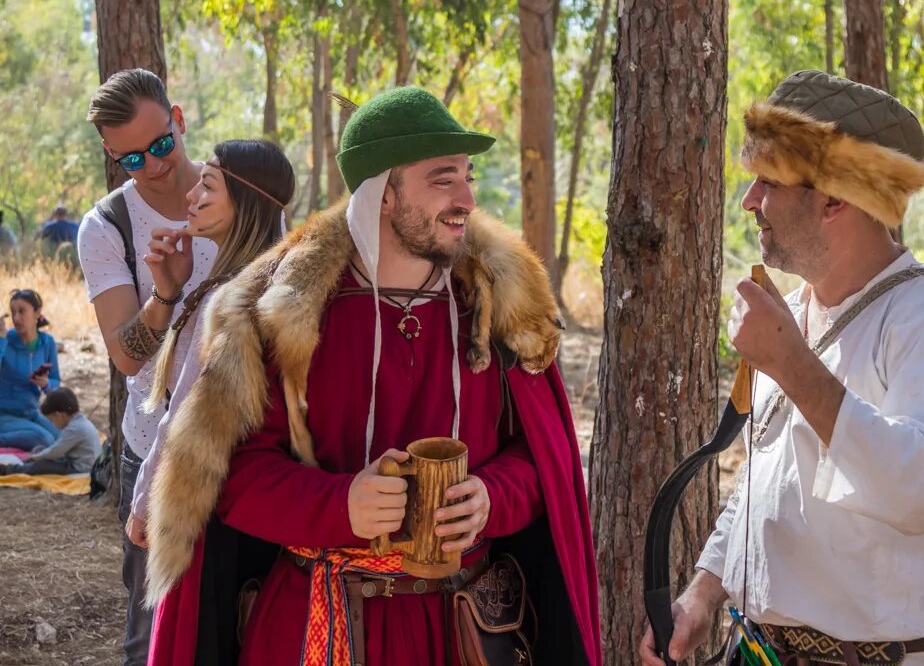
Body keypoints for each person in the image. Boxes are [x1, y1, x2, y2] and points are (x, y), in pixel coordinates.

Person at [145, 87, 601, 666]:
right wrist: (340, 506)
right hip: (314, 618)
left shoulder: (494, 306)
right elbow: (232, 478)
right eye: (443, 179)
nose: (466, 199)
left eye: (467, 177)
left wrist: (492, 497)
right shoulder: (284, 313)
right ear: (383, 195)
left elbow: (544, 465)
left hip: (464, 634)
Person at [640, 71, 924, 666]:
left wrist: (794, 367)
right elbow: (768, 482)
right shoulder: (799, 314)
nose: (749, 201)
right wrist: (704, 593)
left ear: (834, 197)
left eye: (767, 182)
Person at [124, 140, 294, 665]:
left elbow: (184, 418)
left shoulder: (233, 297)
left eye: (209, 186)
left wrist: (143, 505)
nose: (192, 195)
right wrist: (170, 290)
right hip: (257, 516)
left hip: (209, 517)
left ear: (244, 201)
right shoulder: (271, 285)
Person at [78, 68, 217, 666]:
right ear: (112, 155)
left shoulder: (241, 192)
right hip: (156, 450)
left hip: (247, 441)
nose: (155, 165)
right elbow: (126, 355)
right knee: (153, 636)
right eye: (133, 158)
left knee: (236, 618)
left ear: (179, 119)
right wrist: (166, 295)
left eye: (163, 145)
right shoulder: (106, 227)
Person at [0, 289, 62, 451]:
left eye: (22, 311)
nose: (16, 318)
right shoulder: (4, 340)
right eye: (13, 312)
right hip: (4, 415)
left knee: (62, 438)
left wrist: (46, 383)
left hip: (30, 412)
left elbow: (56, 381)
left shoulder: (47, 342)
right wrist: (1, 340)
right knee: (44, 439)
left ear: (37, 313)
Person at [0, 387, 101, 476]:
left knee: (41, 465)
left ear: (59, 415)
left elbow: (56, 452)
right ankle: (28, 463)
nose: (53, 424)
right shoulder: (79, 421)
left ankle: (9, 470)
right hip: (72, 459)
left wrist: (37, 457)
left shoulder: (75, 428)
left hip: (79, 468)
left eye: (52, 420)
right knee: (39, 449)